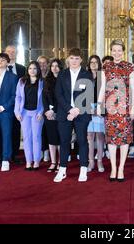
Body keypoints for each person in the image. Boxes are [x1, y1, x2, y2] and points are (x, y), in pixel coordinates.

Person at [97, 39, 134, 182]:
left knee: (124, 139)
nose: (117, 53)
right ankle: (113, 168)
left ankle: (121, 168)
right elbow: (102, 87)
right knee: (112, 139)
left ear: (123, 51)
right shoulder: (106, 67)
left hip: (125, 108)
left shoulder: (129, 66)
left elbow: (133, 88)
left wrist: (133, 107)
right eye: (114, 50)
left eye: (119, 50)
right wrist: (99, 104)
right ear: (111, 51)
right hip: (110, 108)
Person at [54, 48, 93, 183]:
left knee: (82, 141)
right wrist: (70, 109)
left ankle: (83, 169)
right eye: (72, 58)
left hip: (81, 113)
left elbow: (88, 95)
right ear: (68, 59)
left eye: (77, 58)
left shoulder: (87, 75)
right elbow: (58, 94)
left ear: (81, 60)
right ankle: (62, 169)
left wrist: (77, 110)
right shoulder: (62, 74)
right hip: (65, 113)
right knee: (64, 142)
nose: (74, 61)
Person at [0, 45, 26, 164]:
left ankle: (14, 154)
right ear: (4, 53)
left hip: (17, 106)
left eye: (13, 52)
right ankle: (2, 154)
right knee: (2, 131)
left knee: (15, 130)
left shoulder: (22, 69)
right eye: (9, 52)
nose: (11, 54)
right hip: (2, 107)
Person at [15, 61, 44, 170]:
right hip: (24, 113)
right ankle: (28, 161)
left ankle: (36, 161)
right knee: (27, 138)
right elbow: (17, 97)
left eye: (35, 68)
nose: (32, 70)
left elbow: (44, 99)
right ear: (27, 70)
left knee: (36, 137)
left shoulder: (42, 82)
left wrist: (41, 112)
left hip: (37, 113)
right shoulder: (21, 81)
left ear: (38, 70)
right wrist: (17, 112)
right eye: (30, 68)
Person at [43, 59, 63, 172]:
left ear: (60, 67)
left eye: (57, 66)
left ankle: (60, 162)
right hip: (49, 115)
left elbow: (62, 98)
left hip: (60, 113)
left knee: (60, 139)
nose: (54, 68)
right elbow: (43, 98)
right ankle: (53, 162)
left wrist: (54, 110)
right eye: (52, 66)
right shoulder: (46, 80)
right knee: (51, 139)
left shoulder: (64, 80)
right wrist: (46, 111)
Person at [86, 55, 105, 173]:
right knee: (90, 136)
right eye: (91, 62)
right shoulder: (84, 75)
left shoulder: (102, 76)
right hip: (87, 108)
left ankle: (100, 161)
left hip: (99, 107)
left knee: (99, 136)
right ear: (89, 64)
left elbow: (106, 93)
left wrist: (99, 107)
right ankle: (91, 161)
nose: (94, 64)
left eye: (96, 62)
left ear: (99, 64)